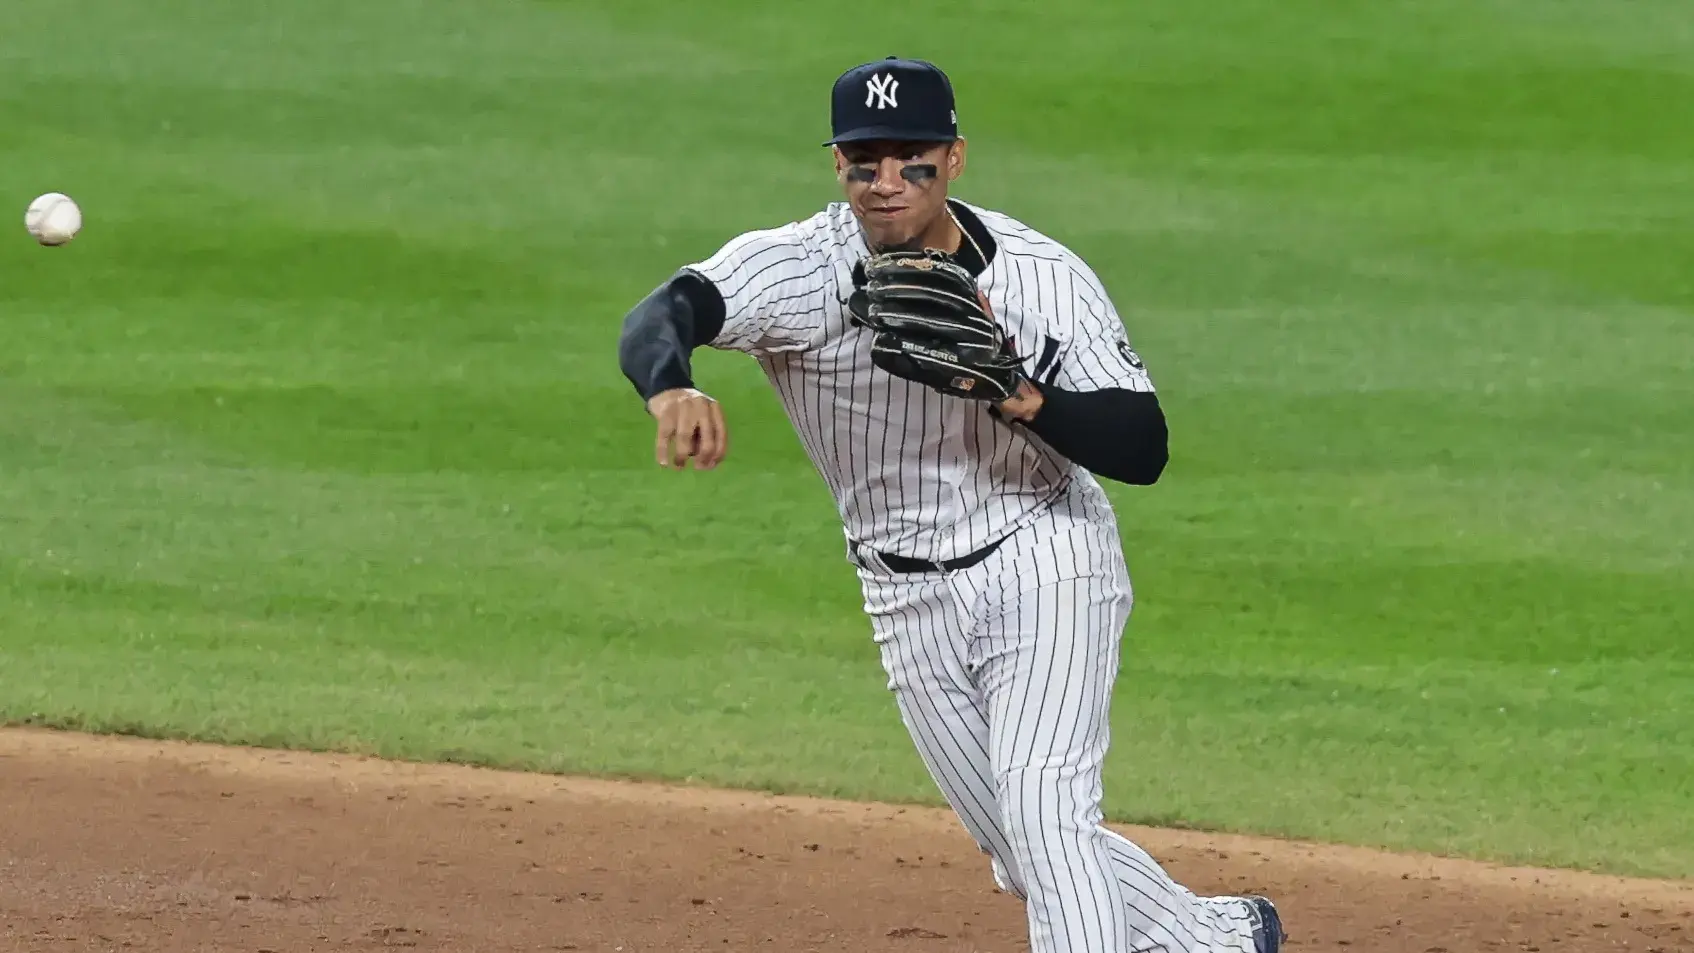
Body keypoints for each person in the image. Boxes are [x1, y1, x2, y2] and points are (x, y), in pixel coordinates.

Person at [616, 55, 1286, 953]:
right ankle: (1216, 938)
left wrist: (1023, 395)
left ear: (955, 159)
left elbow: (1144, 445)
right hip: (902, 592)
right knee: (1022, 847)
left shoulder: (1043, 275)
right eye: (864, 161)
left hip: (1044, 552)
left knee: (1049, 823)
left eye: (913, 161)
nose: (886, 184)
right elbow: (667, 310)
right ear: (837, 166)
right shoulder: (805, 271)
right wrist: (670, 388)